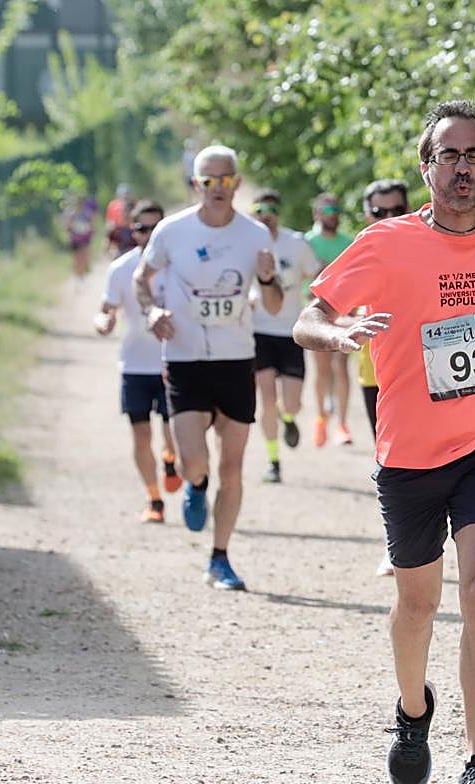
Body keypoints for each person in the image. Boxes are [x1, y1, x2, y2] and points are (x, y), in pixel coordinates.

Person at [294, 100, 475, 784]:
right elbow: (308, 318)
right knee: (417, 605)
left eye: (474, 156)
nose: (463, 168)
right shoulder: (385, 242)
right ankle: (412, 708)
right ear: (425, 167)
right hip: (410, 453)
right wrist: (338, 335)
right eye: (449, 156)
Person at [132, 145, 282, 591]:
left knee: (232, 469)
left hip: (236, 361)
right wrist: (151, 312)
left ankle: (220, 558)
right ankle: (195, 486)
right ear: (196, 185)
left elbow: (274, 306)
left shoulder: (255, 235)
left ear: (237, 183)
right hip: (185, 360)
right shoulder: (171, 231)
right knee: (195, 462)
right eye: (209, 181)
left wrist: (268, 278)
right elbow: (142, 279)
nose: (218, 188)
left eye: (226, 180)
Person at [94, 199, 181, 521]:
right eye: (142, 228)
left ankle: (170, 458)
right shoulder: (121, 269)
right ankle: (154, 500)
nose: (149, 235)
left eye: (156, 228)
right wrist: (103, 323)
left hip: (174, 361)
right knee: (141, 435)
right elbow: (105, 311)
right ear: (133, 231)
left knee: (175, 433)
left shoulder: (179, 265)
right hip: (134, 364)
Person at [356, 179, 410, 577]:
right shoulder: (362, 250)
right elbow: (326, 307)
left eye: (396, 210)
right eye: (380, 212)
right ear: (367, 215)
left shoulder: (430, 244)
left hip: (426, 370)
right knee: (391, 460)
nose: (389, 217)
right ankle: (397, 544)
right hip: (376, 373)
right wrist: (348, 324)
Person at [249, 189, 320, 484]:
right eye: (260, 210)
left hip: (290, 331)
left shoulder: (296, 244)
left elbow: (317, 275)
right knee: (266, 400)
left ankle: (288, 418)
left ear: (278, 213)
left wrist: (317, 302)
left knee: (292, 404)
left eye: (271, 210)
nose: (266, 215)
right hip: (259, 331)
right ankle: (273, 461)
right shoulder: (246, 243)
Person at [304, 192, 357, 446]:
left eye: (335, 211)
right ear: (316, 214)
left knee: (342, 367)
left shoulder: (349, 242)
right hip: (317, 312)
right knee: (322, 370)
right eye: (326, 211)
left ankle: (342, 425)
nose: (332, 215)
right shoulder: (307, 242)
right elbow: (304, 279)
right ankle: (321, 418)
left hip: (345, 312)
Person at [64, 193, 98, 286]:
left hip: (85, 239)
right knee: (76, 259)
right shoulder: (71, 213)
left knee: (84, 258)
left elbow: (92, 224)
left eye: (80, 202)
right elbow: (67, 226)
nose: (79, 204)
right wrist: (71, 225)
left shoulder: (87, 213)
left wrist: (91, 230)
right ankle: (77, 277)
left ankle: (82, 276)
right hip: (75, 240)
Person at [105, 183, 134, 257]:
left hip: (129, 229)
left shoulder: (132, 204)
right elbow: (109, 220)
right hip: (117, 230)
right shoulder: (113, 205)